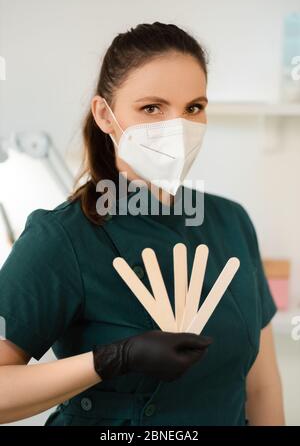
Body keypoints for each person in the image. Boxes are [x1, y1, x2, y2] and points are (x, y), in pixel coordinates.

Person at [0, 22, 284, 426]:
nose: (177, 129)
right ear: (106, 115)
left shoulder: (231, 222)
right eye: (152, 108)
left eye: (194, 108)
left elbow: (261, 387)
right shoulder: (64, 237)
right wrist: (113, 359)